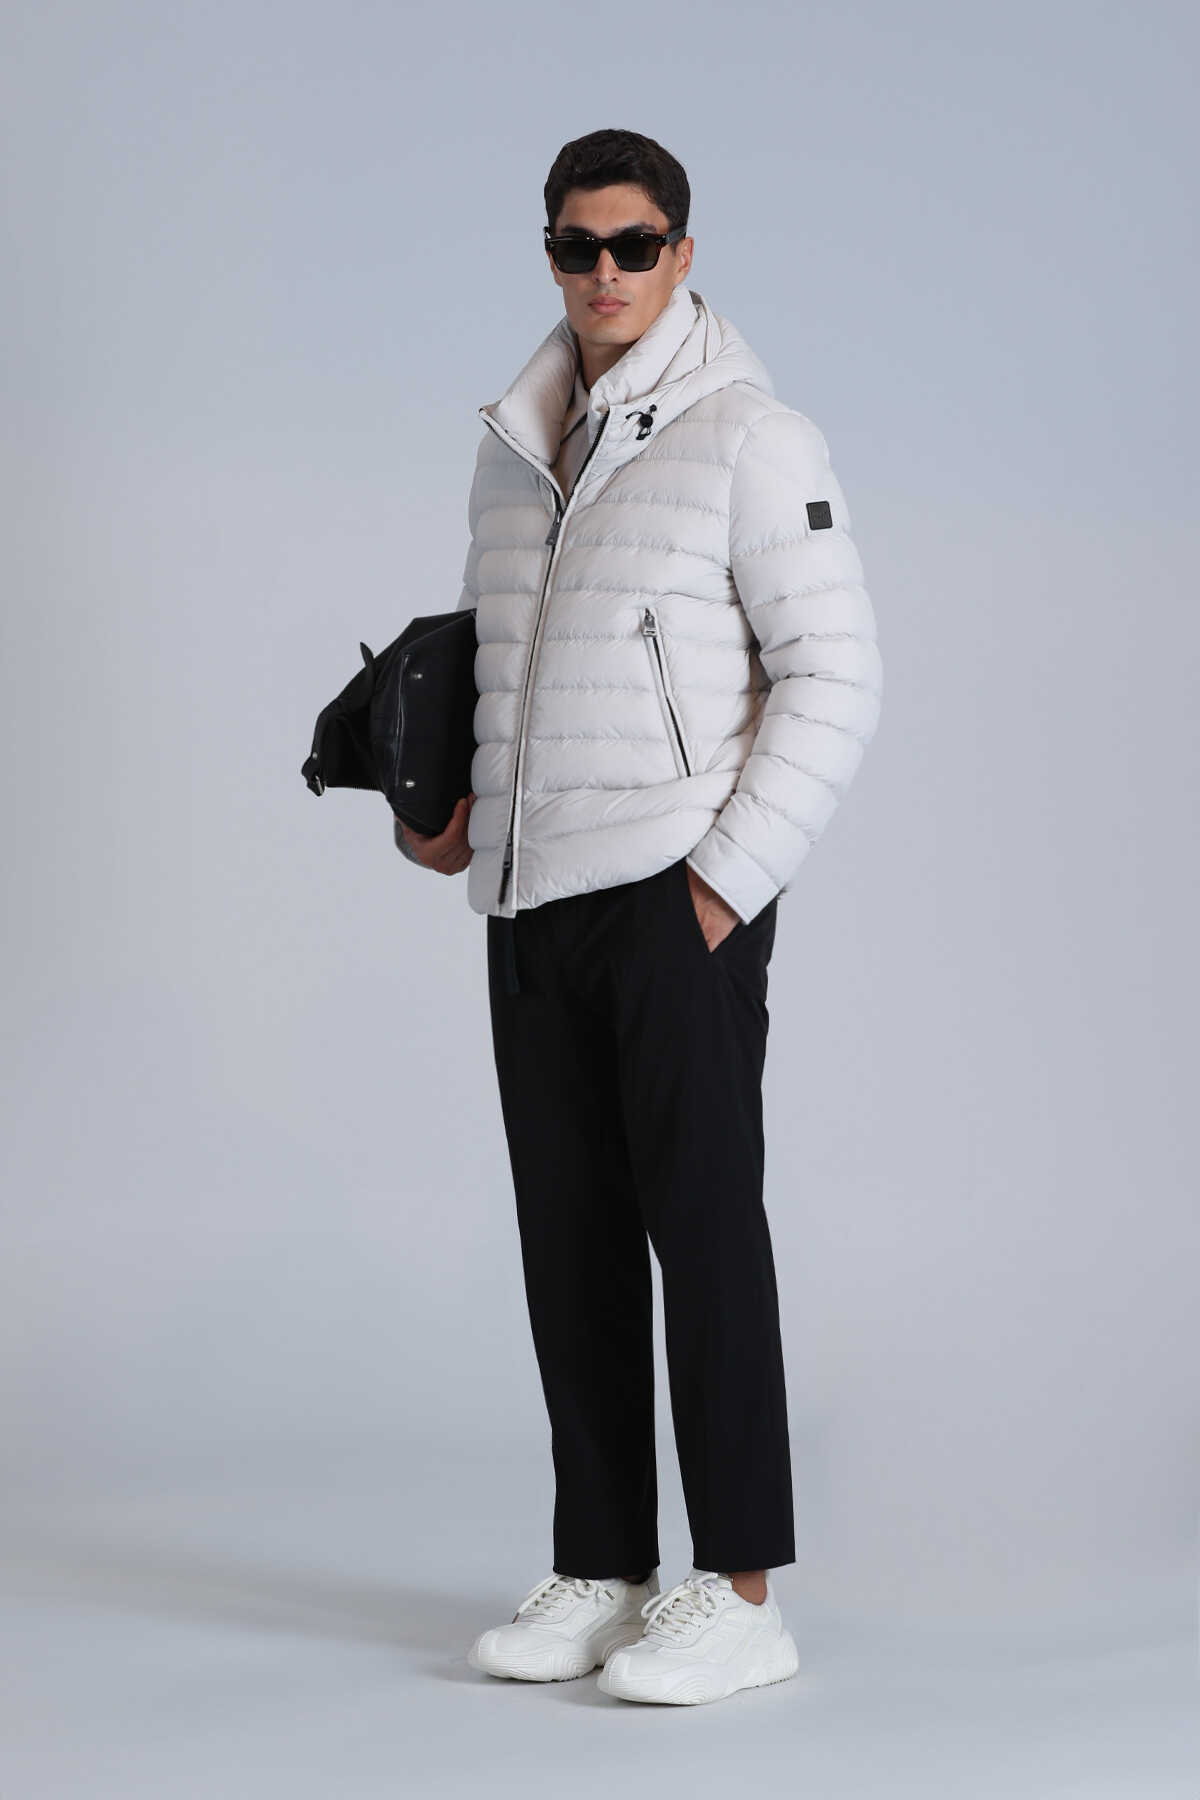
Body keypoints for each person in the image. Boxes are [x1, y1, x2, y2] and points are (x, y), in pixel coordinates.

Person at [394, 128, 882, 1707]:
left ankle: (740, 1592)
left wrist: (721, 887)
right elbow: (505, 656)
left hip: (673, 896)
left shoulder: (754, 437)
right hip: (529, 897)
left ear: (682, 252)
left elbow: (836, 676)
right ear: (549, 253)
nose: (601, 273)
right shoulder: (513, 442)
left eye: (632, 244)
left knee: (705, 1235)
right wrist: (446, 810)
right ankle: (604, 1567)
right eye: (574, 246)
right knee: (572, 1244)